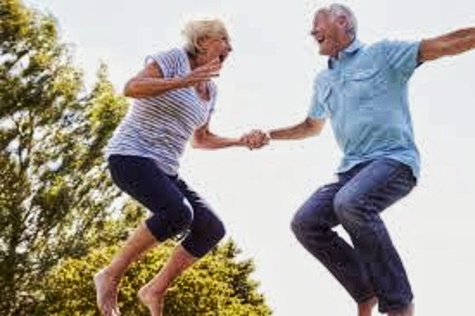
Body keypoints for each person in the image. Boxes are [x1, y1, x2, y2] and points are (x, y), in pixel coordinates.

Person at [252, 3, 475, 316]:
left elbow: (442, 45)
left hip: (393, 160)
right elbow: (310, 127)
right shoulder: (323, 81)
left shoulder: (383, 55)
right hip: (351, 171)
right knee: (306, 222)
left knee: (350, 203)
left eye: (318, 24)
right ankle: (364, 289)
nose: (312, 31)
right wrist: (269, 134)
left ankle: (399, 304)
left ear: (343, 21)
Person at [93, 19, 268, 316]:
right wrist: (185, 80)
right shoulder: (174, 59)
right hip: (129, 155)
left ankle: (154, 290)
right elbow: (132, 88)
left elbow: (201, 139)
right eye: (223, 38)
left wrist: (241, 141)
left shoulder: (211, 91)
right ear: (201, 42)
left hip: (165, 169)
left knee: (210, 228)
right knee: (177, 213)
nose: (230, 46)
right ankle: (110, 274)